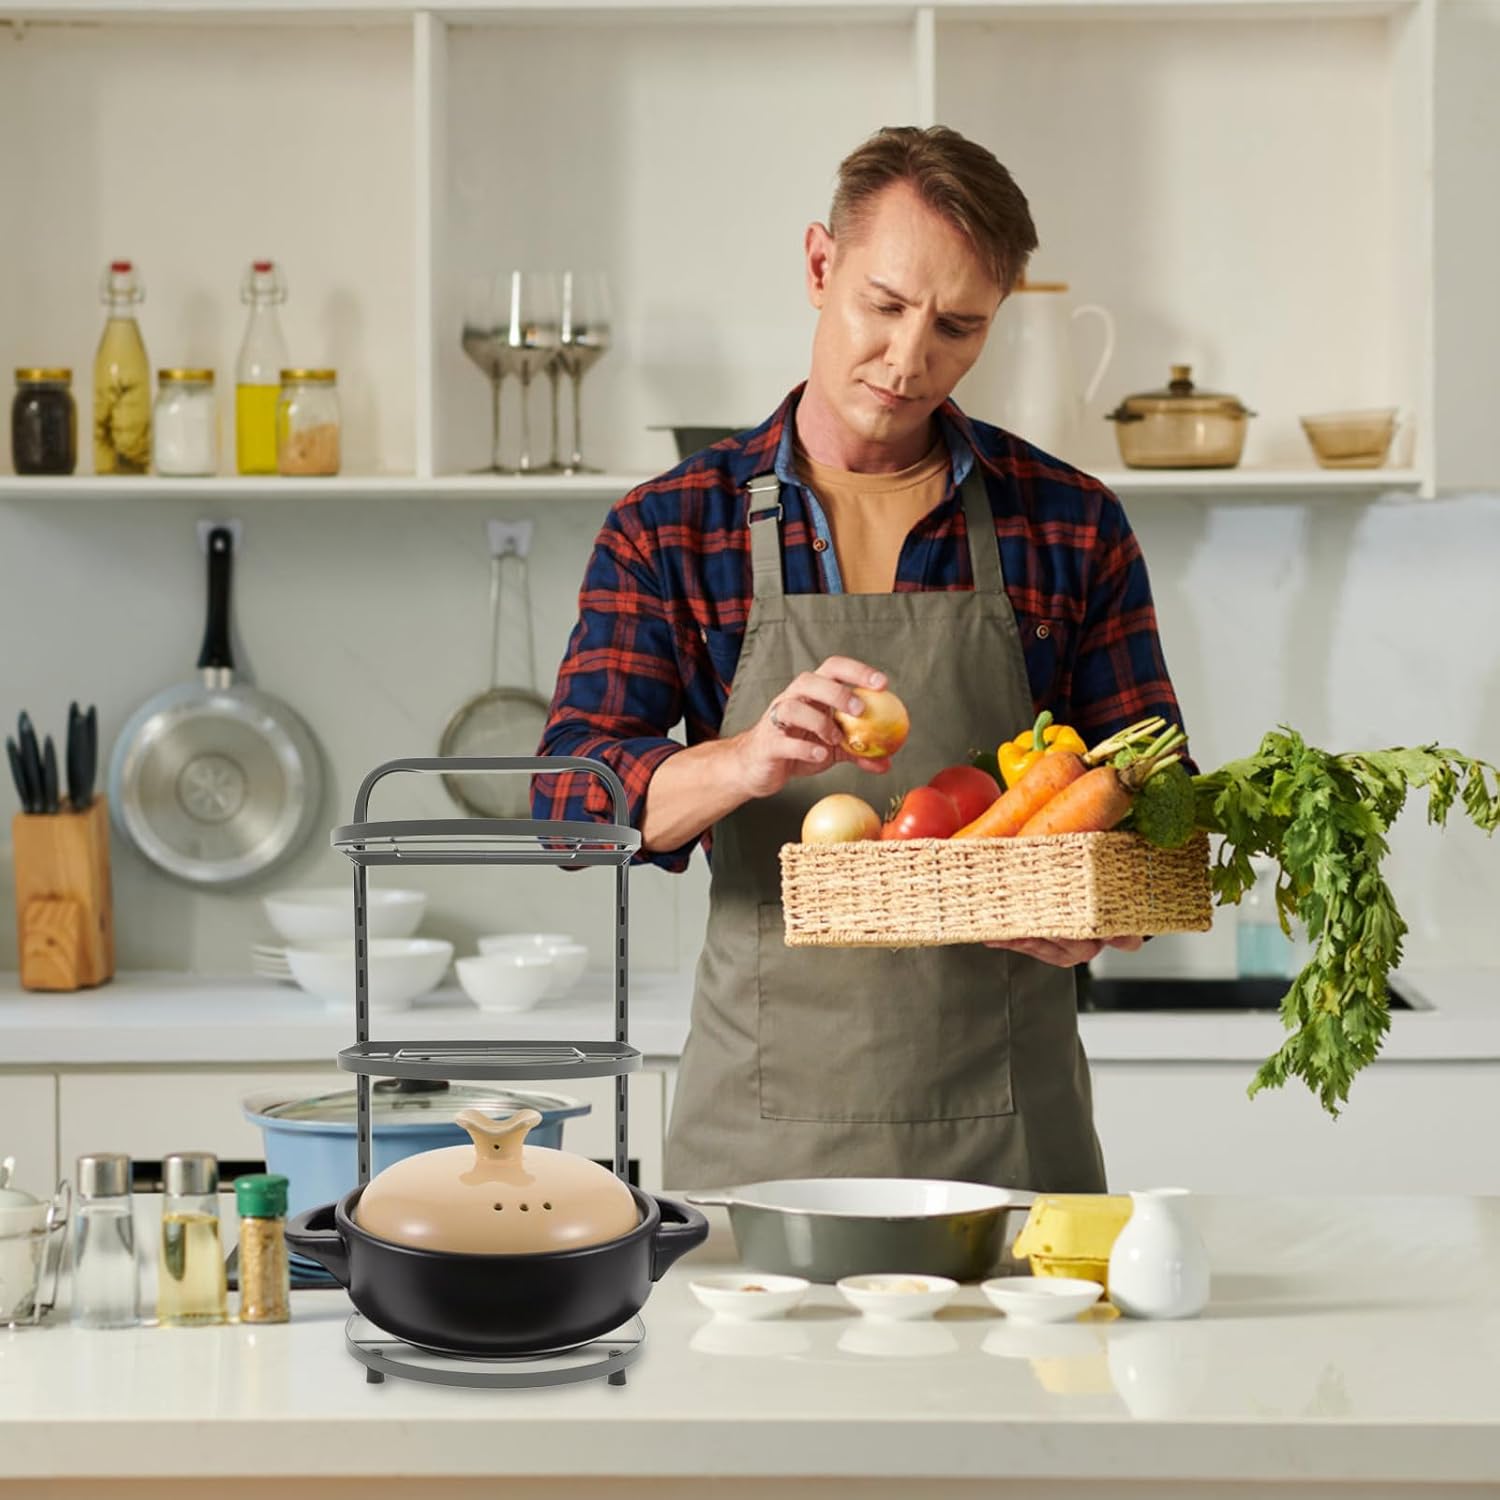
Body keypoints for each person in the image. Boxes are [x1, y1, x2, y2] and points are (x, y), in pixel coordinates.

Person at [535, 125, 1188, 1193]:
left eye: (958, 327)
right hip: (760, 1142)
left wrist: (1105, 913)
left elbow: (1161, 810)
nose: (908, 358)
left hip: (1013, 1140)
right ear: (818, 265)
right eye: (884, 305)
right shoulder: (672, 527)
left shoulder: (1069, 524)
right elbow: (569, 805)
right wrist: (745, 760)